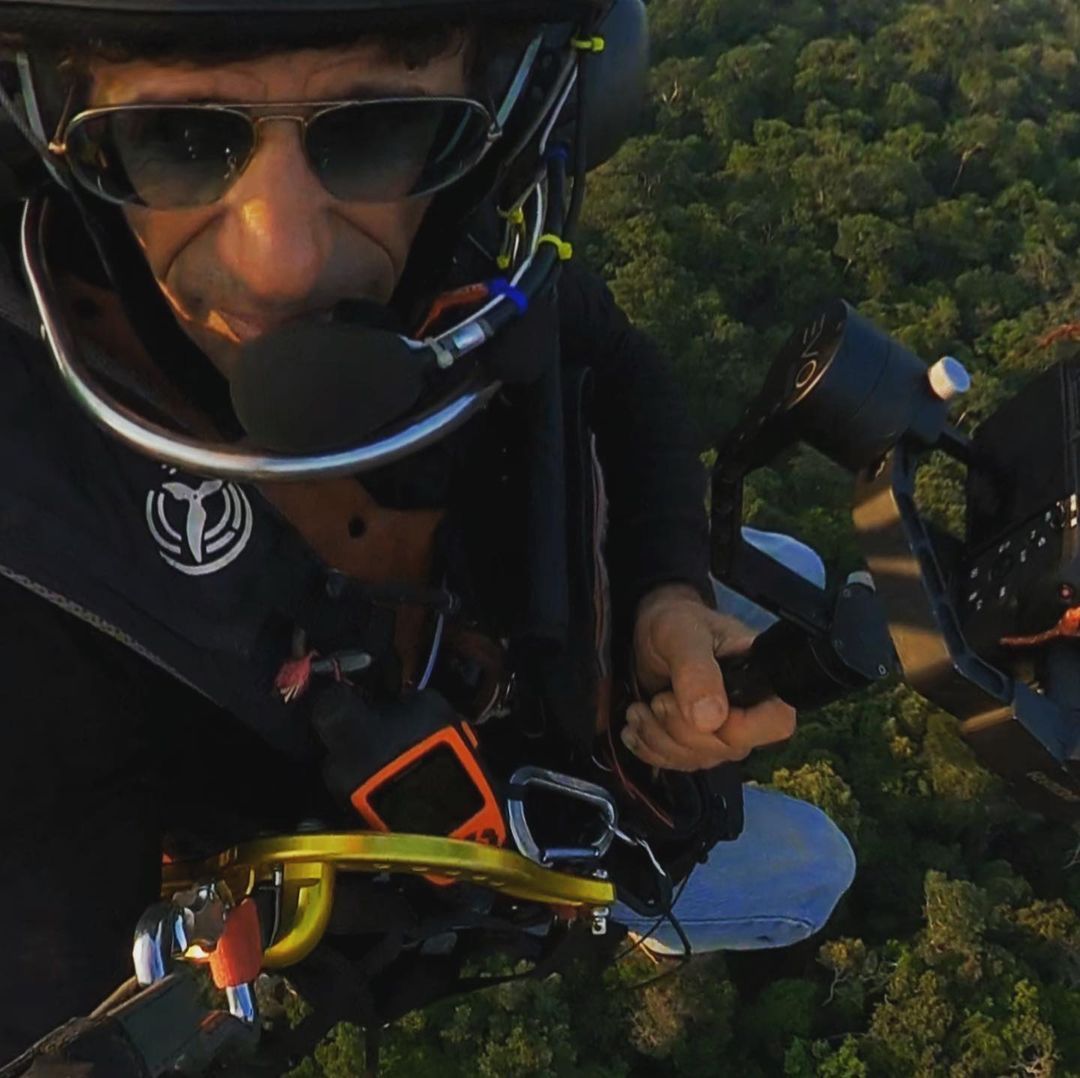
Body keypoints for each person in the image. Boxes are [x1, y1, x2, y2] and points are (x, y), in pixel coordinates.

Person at [0, 0, 852, 1062]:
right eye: (176, 141)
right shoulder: (35, 562)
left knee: (789, 627)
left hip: (547, 703)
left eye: (374, 129)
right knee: (812, 869)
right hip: (374, 871)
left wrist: (665, 590)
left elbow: (617, 364)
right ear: (53, 135)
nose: (285, 260)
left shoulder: (465, 248)